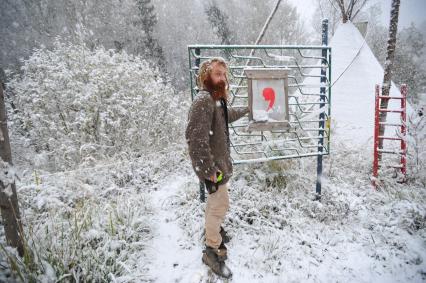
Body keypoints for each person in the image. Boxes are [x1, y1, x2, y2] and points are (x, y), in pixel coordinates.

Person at [185, 57, 249, 278]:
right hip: (213, 169)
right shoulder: (203, 101)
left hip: (219, 166)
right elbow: (196, 140)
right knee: (219, 206)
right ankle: (212, 250)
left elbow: (225, 116)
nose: (222, 79)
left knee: (216, 204)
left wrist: (247, 109)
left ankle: (214, 230)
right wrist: (209, 171)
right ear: (206, 77)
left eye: (224, 74)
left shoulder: (216, 100)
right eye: (217, 74)